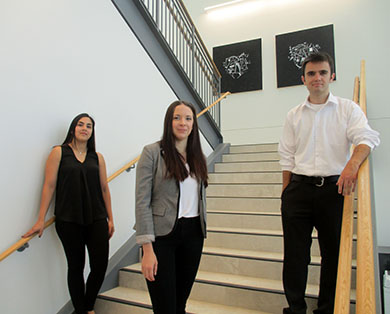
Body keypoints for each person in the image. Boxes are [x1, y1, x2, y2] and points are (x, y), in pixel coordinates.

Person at [278, 52, 380, 314]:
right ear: (303, 79)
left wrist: (352, 165)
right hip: (298, 190)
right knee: (295, 256)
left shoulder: (348, 109)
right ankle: (295, 308)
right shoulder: (294, 115)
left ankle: (326, 309)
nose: (317, 78)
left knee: (333, 256)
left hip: (334, 191)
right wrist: (286, 193)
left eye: (323, 72)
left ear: (331, 76)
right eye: (311, 73)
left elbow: (367, 138)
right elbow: (287, 157)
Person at [23, 113, 114, 314]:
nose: (84, 128)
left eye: (89, 126)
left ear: (92, 132)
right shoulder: (58, 152)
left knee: (99, 266)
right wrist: (40, 219)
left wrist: (111, 217)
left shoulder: (97, 157)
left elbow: (104, 188)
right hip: (68, 219)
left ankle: (88, 306)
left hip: (97, 217)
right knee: (76, 267)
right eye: (80, 124)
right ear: (73, 128)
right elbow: (49, 185)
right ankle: (82, 310)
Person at [135, 100, 208, 314]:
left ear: (193, 124)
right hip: (162, 238)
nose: (182, 123)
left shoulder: (198, 157)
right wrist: (146, 248)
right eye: (177, 117)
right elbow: (142, 201)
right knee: (164, 307)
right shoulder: (152, 153)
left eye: (188, 118)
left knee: (180, 305)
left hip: (194, 234)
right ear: (169, 122)